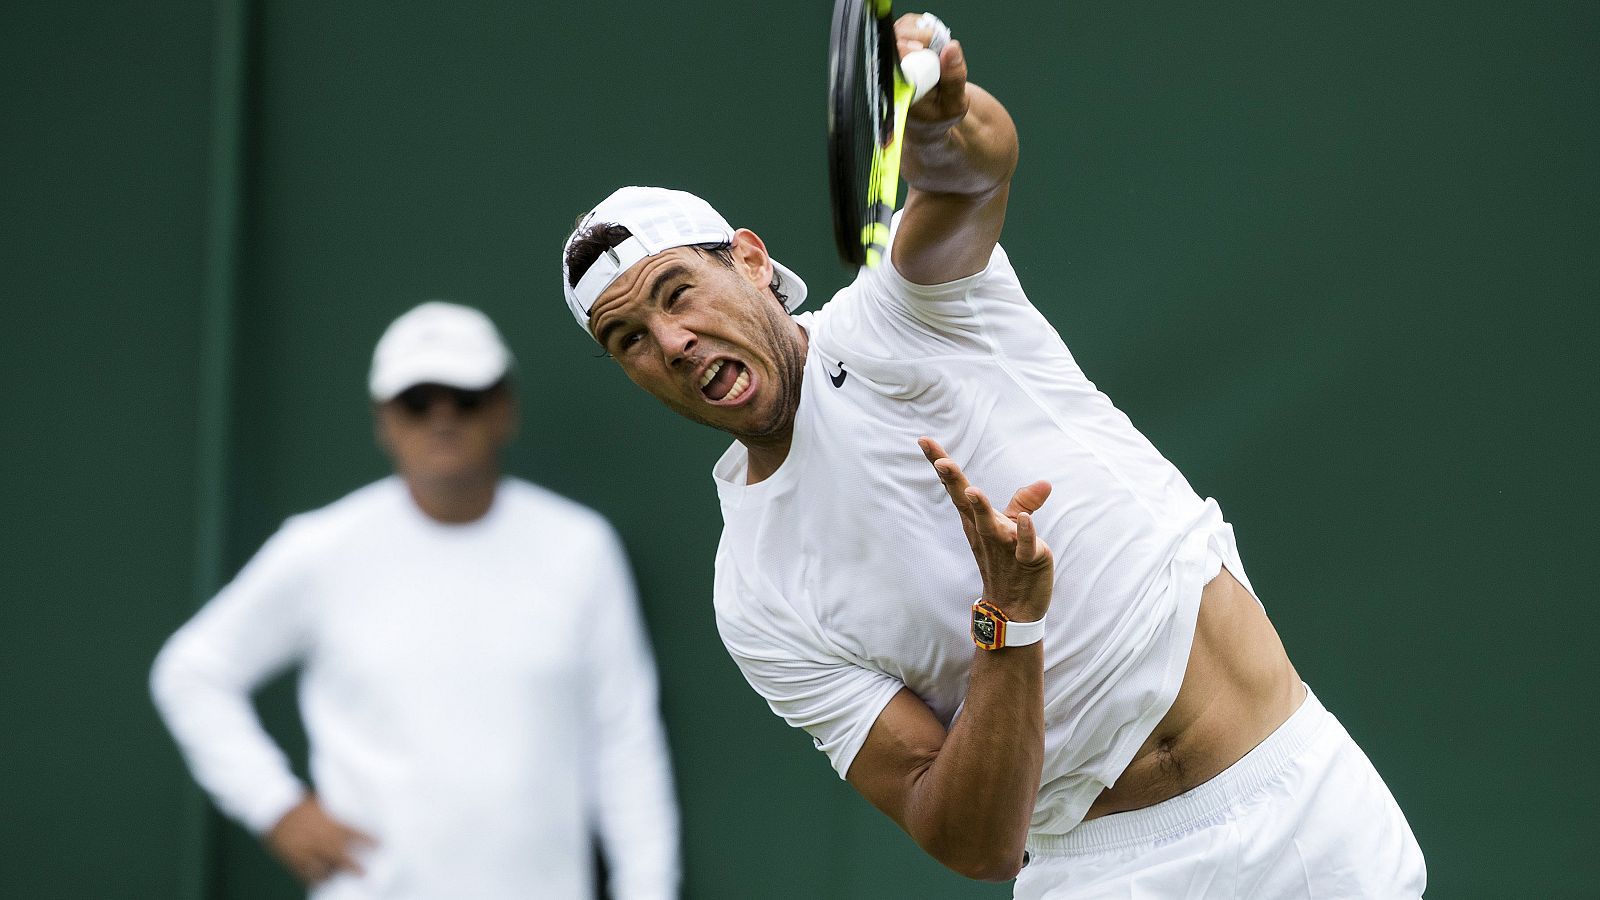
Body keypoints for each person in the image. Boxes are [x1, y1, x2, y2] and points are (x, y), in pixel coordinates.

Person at [555, 14, 1424, 900]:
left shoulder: (901, 311)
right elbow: (969, 842)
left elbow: (972, 177)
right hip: (1102, 875)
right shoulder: (753, 593)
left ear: (748, 260)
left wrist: (946, 117)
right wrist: (1006, 623)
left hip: (1301, 805)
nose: (670, 340)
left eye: (676, 292)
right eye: (627, 338)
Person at [151, 301, 680, 900]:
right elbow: (192, 671)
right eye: (417, 402)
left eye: (467, 397)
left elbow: (624, 740)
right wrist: (276, 807)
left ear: (504, 409)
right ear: (384, 420)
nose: (443, 419)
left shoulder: (579, 549)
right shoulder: (323, 549)